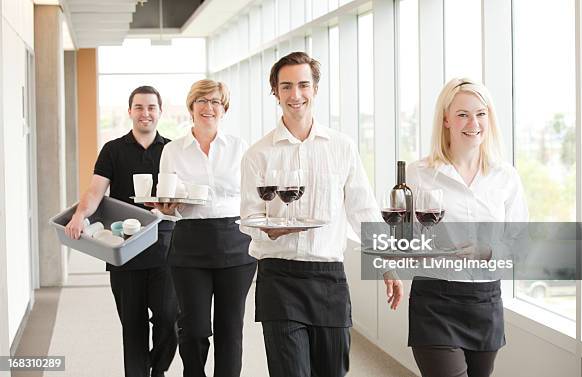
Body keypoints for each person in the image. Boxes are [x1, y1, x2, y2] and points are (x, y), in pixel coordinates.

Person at [240, 51, 404, 377]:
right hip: (278, 276)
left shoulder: (341, 147)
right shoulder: (257, 154)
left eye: (303, 85)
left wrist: (387, 266)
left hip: (328, 278)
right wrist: (266, 230)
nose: (295, 95)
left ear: (315, 88)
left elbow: (363, 209)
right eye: (286, 86)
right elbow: (250, 216)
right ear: (275, 92)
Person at [405, 78, 529, 377]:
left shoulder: (505, 176)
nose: (473, 122)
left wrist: (487, 251)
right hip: (434, 300)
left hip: (485, 301)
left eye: (481, 113)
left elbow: (521, 245)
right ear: (446, 119)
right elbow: (401, 239)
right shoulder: (419, 174)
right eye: (462, 114)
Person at [65, 86, 179, 377]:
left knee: (169, 318)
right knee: (133, 327)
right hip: (124, 250)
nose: (145, 113)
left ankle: (158, 367)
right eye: (139, 107)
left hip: (166, 248)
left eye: (151, 107)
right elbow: (95, 192)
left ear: (159, 112)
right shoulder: (113, 150)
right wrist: (79, 215)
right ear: (130, 111)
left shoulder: (173, 150)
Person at [155, 79, 256, 377]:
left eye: (215, 102)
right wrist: (167, 208)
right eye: (202, 101)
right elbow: (166, 196)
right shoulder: (173, 150)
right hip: (189, 243)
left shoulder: (240, 147)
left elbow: (252, 195)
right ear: (191, 107)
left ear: (223, 109)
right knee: (194, 327)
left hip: (235, 242)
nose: (208, 107)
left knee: (230, 329)